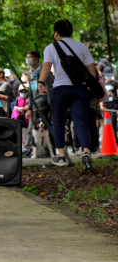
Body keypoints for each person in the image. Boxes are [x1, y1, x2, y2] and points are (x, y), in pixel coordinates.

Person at [39, 19, 95, 171]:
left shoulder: (51, 47)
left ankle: (61, 155)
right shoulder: (81, 46)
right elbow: (91, 68)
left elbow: (47, 66)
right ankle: (87, 153)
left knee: (57, 121)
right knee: (81, 121)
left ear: (56, 32)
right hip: (80, 89)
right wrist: (92, 85)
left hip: (61, 89)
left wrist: (41, 82)